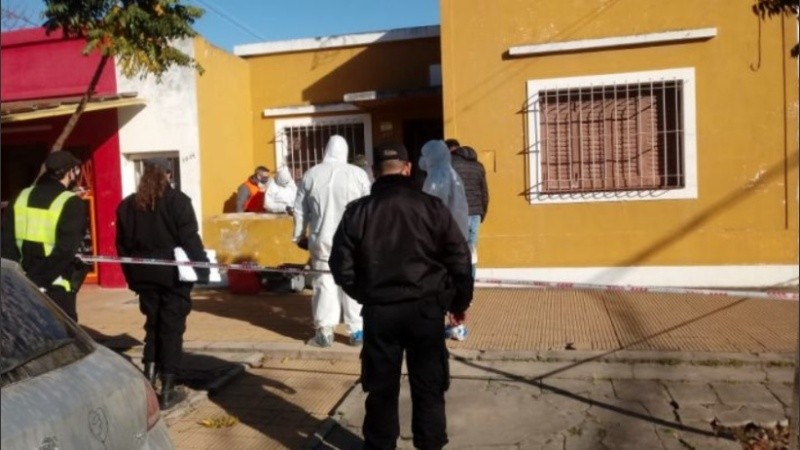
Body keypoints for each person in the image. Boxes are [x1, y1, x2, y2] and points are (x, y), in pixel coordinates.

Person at [329, 141, 473, 450]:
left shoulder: (359, 211)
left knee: (381, 388)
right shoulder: (432, 207)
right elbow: (459, 258)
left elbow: (340, 266)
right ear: (408, 168)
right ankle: (430, 444)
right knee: (429, 386)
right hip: (425, 311)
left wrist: (365, 293)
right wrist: (458, 303)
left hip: (381, 312)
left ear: (375, 172)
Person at [115, 159, 209, 410]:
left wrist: (131, 277)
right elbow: (190, 238)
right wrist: (202, 269)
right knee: (172, 329)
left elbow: (122, 246)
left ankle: (148, 379)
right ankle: (168, 388)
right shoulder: (178, 202)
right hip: (172, 277)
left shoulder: (127, 205)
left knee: (153, 326)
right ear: (168, 174)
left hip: (144, 277)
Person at [293, 135, 371, 347]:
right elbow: (369, 207)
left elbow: (300, 209)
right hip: (353, 240)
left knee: (324, 283)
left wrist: (298, 235)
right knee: (353, 281)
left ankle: (325, 331)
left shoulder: (312, 174)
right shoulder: (358, 174)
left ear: (326, 150)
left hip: (322, 239)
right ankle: (357, 331)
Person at [1, 151, 89, 322]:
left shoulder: (20, 196)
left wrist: (20, 279)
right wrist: (38, 280)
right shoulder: (71, 202)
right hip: (55, 286)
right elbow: (65, 251)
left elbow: (6, 243)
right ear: (68, 172)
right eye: (75, 171)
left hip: (21, 284)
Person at [446, 138, 489, 276]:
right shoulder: (478, 166)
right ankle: (470, 281)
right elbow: (484, 193)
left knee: (455, 249)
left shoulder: (449, 164)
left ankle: (457, 282)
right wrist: (482, 213)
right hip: (475, 213)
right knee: (471, 249)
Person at [419, 140, 470, 240]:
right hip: (454, 230)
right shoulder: (449, 172)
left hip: (444, 234)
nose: (422, 160)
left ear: (432, 156)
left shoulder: (438, 175)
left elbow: (435, 205)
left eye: (425, 155)